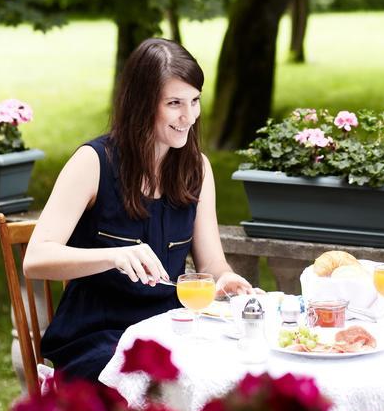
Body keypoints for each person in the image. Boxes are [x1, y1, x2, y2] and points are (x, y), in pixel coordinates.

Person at [24, 38, 254, 380]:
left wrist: (227, 278)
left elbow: (211, 264)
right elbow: (35, 260)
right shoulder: (93, 162)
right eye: (174, 103)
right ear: (142, 104)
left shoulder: (197, 169)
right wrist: (112, 256)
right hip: (97, 339)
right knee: (163, 386)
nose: (188, 117)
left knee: (234, 375)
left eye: (195, 101)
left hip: (168, 331)